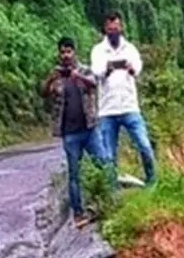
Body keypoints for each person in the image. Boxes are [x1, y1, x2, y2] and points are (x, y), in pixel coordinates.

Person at [43, 37, 106, 228]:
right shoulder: (57, 76)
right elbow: (45, 94)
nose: (66, 56)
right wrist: (50, 80)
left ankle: (107, 202)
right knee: (74, 174)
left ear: (74, 52)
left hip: (89, 128)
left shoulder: (84, 70)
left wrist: (77, 76)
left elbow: (94, 85)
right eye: (62, 52)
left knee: (103, 164)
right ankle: (78, 213)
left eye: (69, 51)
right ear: (59, 54)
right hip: (69, 133)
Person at [90, 12, 156, 185]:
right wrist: (108, 69)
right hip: (107, 110)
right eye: (110, 29)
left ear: (121, 27)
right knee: (109, 155)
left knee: (144, 146)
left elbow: (138, 68)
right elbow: (96, 71)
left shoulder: (130, 49)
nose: (113, 31)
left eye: (116, 28)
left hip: (129, 107)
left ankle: (152, 181)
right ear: (105, 29)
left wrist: (131, 68)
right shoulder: (98, 50)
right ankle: (111, 190)